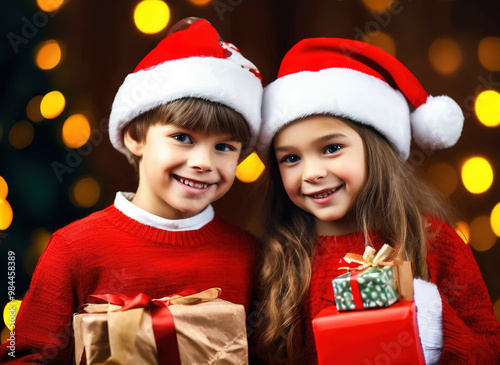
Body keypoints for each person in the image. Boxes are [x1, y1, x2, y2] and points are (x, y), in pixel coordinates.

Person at [0, 18, 263, 364]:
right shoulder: (75, 249)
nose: (203, 162)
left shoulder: (249, 256)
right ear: (135, 137)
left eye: (224, 147)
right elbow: (27, 354)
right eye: (183, 138)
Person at [255, 38, 500, 364]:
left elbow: (489, 350)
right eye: (290, 159)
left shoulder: (432, 241)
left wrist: (435, 329)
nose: (311, 172)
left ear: (376, 149)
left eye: (331, 148)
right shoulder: (280, 255)